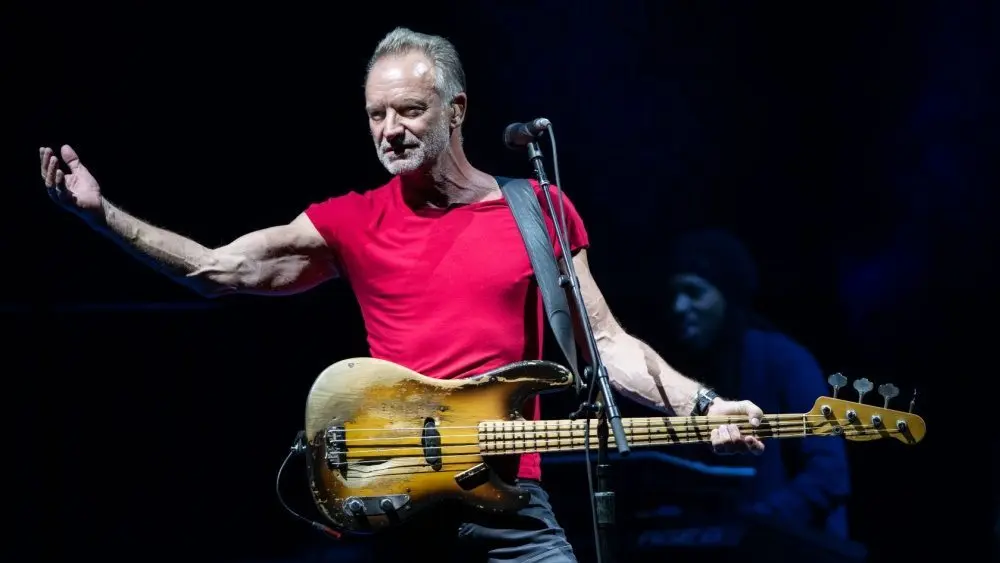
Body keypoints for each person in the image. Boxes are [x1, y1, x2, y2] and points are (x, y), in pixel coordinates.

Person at [38, 27, 767, 563]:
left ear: (456, 110)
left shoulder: (537, 208)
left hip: (508, 503)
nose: (390, 130)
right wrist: (103, 216)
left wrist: (700, 406)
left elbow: (604, 342)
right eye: (376, 114)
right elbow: (215, 269)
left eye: (409, 110)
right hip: (393, 505)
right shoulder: (351, 220)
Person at [657, 228, 851, 540]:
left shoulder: (784, 360)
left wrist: (754, 524)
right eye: (673, 295)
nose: (678, 307)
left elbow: (829, 475)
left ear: (727, 296)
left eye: (693, 292)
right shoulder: (685, 373)